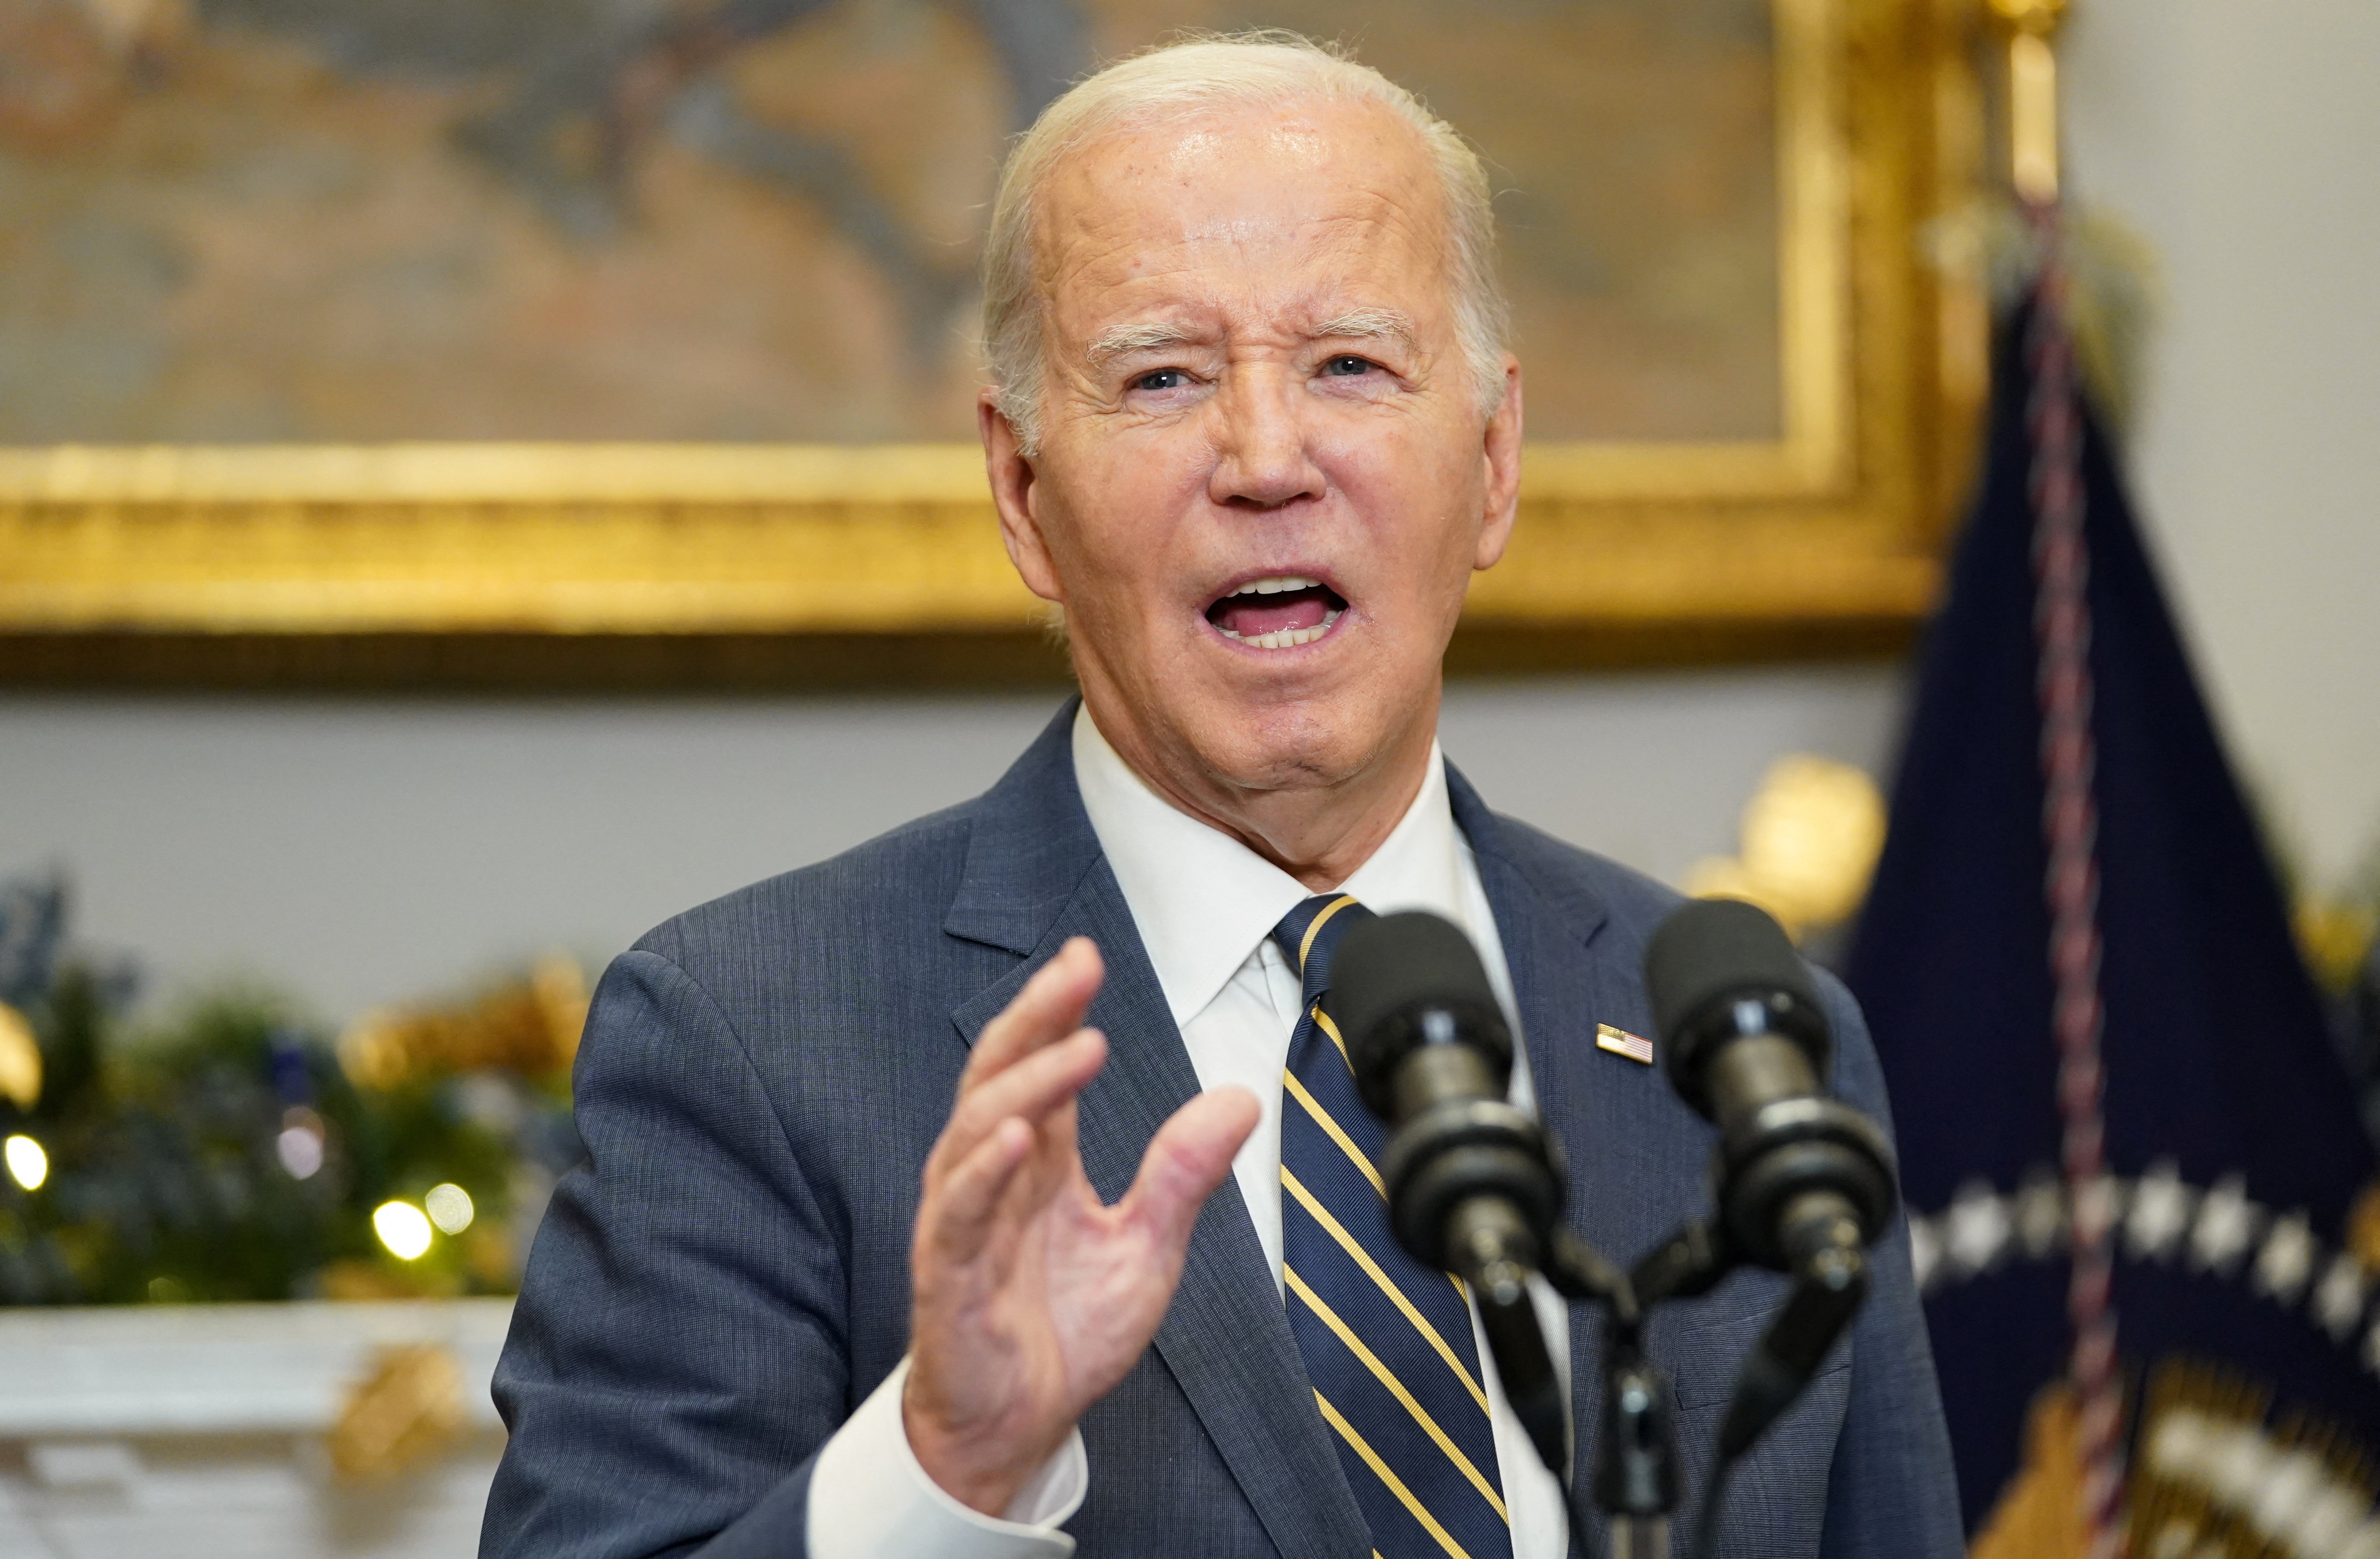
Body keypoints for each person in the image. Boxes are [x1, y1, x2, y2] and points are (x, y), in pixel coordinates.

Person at [480, 33, 1961, 1559]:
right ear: (1023, 493)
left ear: (1495, 459)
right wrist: (945, 1468)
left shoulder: (1747, 1047)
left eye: (1349, 366)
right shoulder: (751, 1037)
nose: (1264, 457)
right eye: (1163, 376)